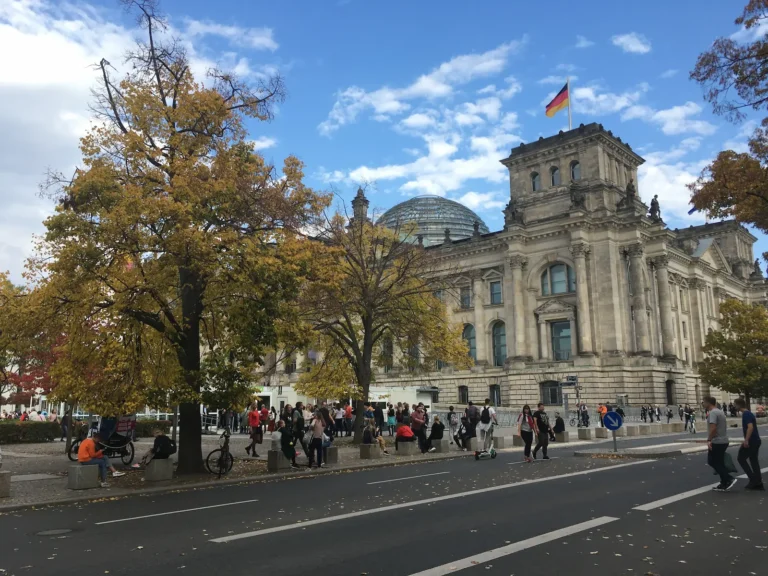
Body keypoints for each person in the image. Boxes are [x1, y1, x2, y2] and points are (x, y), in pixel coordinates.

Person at [704, 396, 736, 491]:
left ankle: (728, 478)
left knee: (712, 461)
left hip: (717, 441)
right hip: (724, 440)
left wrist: (709, 439)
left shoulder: (713, 413)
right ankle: (724, 483)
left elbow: (713, 428)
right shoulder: (719, 411)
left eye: (704, 402)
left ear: (708, 403)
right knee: (719, 462)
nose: (703, 404)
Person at [734, 398, 763, 490]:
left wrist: (746, 440)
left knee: (741, 458)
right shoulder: (748, 413)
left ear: (738, 405)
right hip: (756, 440)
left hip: (751, 441)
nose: (734, 406)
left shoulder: (746, 414)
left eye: (735, 405)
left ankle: (753, 479)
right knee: (753, 460)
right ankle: (758, 481)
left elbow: (750, 427)